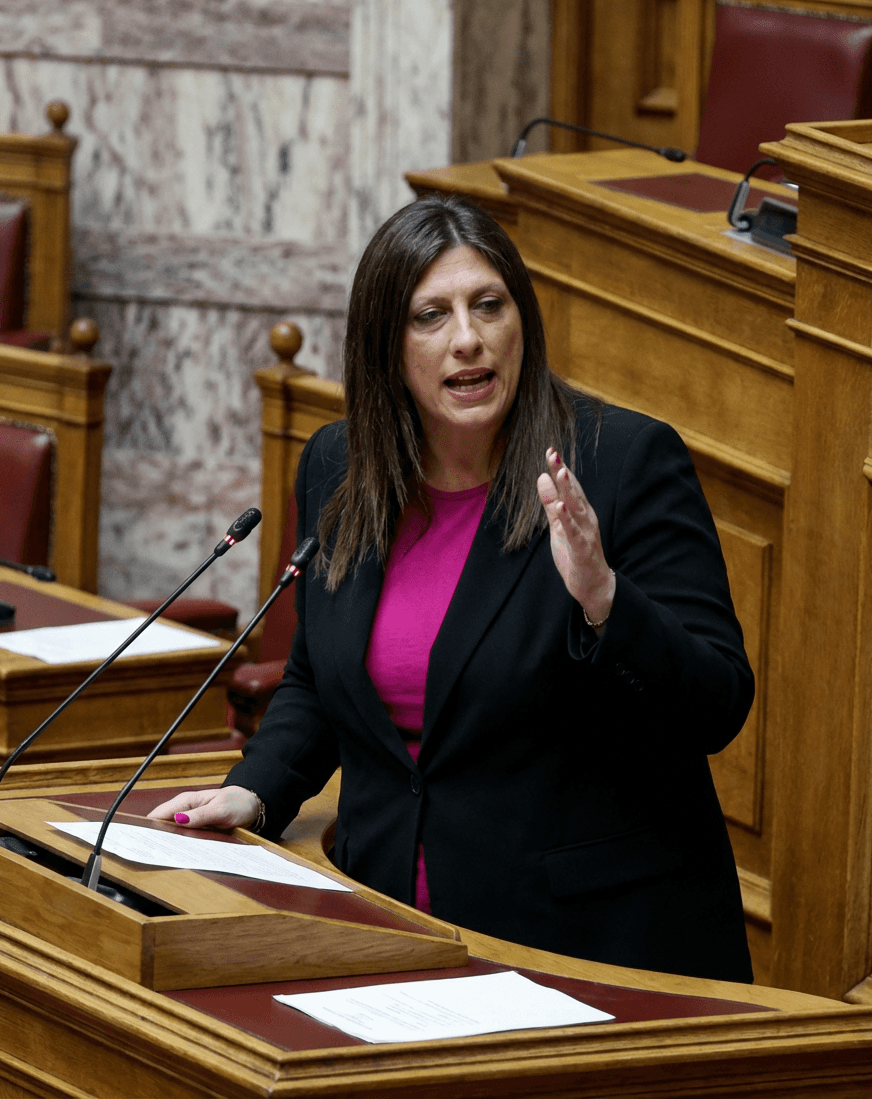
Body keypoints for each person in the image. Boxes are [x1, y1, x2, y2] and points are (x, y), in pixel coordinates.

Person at [150, 195, 754, 983]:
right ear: (385, 346)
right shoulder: (340, 466)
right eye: (430, 316)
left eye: (489, 305)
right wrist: (257, 791)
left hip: (585, 945)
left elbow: (718, 704)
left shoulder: (621, 464)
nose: (467, 337)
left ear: (522, 321)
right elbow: (320, 678)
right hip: (389, 924)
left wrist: (606, 599)